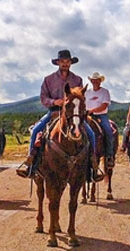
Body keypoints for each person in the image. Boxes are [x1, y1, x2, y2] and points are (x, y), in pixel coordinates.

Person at [16, 50, 102, 180]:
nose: (65, 64)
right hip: (54, 112)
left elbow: (81, 98)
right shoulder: (48, 80)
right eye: (62, 61)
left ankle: (93, 166)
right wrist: (54, 101)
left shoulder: (77, 80)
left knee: (91, 134)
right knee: (36, 131)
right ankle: (30, 164)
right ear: (57, 62)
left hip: (73, 114)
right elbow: (43, 98)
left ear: (71, 63)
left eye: (68, 62)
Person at [85, 72, 115, 156]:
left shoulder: (104, 92)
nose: (95, 82)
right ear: (91, 81)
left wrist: (92, 110)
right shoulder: (87, 92)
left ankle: (109, 154)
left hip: (101, 115)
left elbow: (104, 106)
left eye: (97, 80)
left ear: (100, 81)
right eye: (93, 80)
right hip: (87, 115)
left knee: (108, 130)